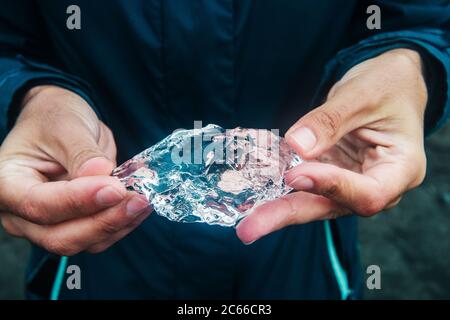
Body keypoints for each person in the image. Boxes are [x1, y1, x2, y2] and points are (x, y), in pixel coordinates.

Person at [0, 0, 448, 299]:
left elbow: (421, 16)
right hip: (100, 259)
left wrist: (409, 64)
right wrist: (26, 97)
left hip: (300, 242)